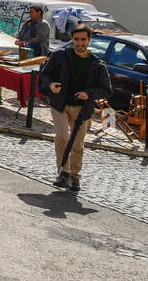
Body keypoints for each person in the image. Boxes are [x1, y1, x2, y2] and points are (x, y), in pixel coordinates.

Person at [37, 25, 111, 191]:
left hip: (82, 109)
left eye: (83, 39)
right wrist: (50, 85)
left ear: (89, 40)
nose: (80, 43)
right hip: (60, 104)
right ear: (72, 40)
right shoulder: (60, 56)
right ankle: (63, 172)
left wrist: (89, 93)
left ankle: (75, 177)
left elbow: (107, 90)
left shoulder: (97, 64)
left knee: (77, 144)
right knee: (63, 137)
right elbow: (44, 73)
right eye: (76, 39)